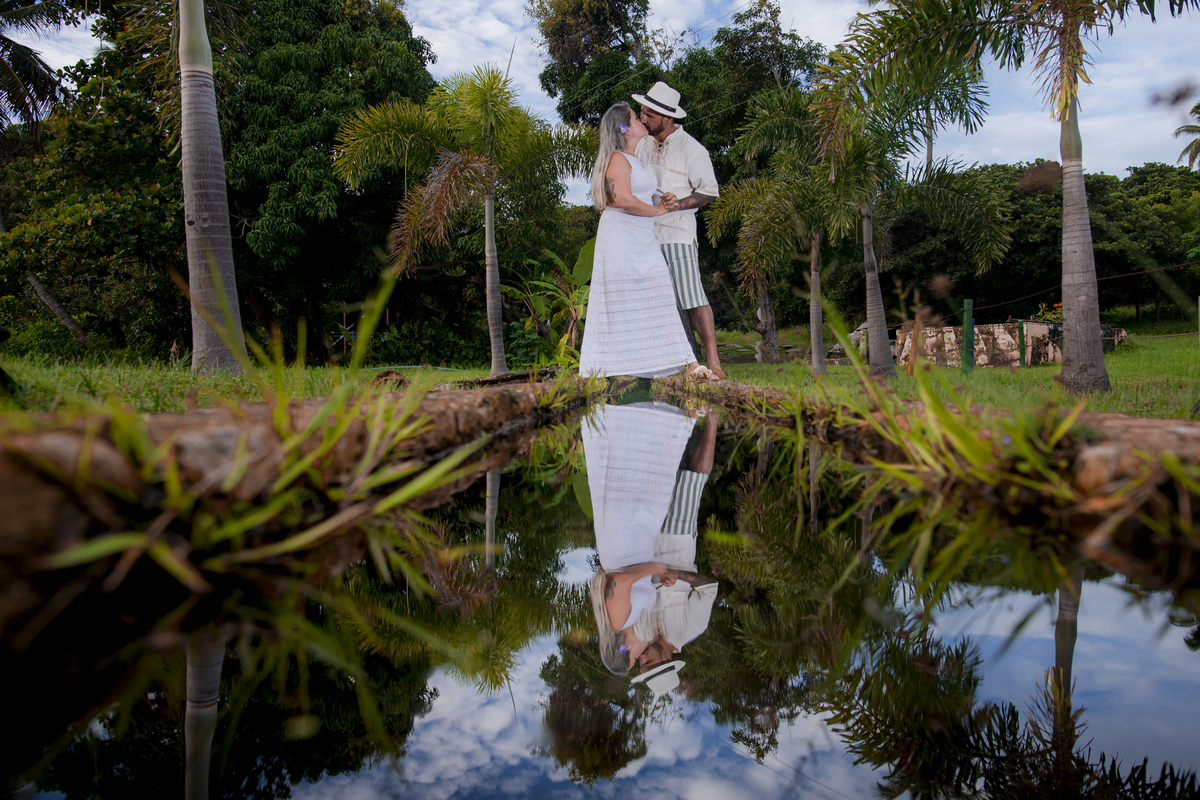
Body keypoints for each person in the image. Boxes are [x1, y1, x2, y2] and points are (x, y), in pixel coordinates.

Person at [577, 102, 717, 380]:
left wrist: (665, 199)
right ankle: (618, 367)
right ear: (624, 128)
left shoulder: (638, 155)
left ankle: (687, 362)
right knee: (623, 301)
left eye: (646, 115)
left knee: (660, 292)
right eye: (635, 116)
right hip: (623, 236)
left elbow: (640, 193)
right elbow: (623, 199)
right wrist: (660, 210)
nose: (642, 119)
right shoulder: (618, 157)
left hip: (643, 237)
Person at [584, 401, 718, 681]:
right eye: (647, 662)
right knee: (693, 482)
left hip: (646, 539)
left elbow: (626, 590)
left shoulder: (640, 632)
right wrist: (677, 574)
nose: (643, 657)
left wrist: (654, 570)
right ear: (666, 659)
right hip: (677, 543)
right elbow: (710, 586)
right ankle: (713, 420)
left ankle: (679, 411)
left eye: (639, 661)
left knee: (664, 473)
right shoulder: (692, 628)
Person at [632, 82, 726, 380]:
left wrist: (679, 203)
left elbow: (710, 192)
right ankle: (668, 365)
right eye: (642, 111)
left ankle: (714, 364)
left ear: (668, 118)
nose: (642, 117)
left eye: (648, 114)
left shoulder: (693, 150)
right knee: (653, 300)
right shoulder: (643, 144)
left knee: (692, 297)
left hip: (677, 235)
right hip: (645, 234)